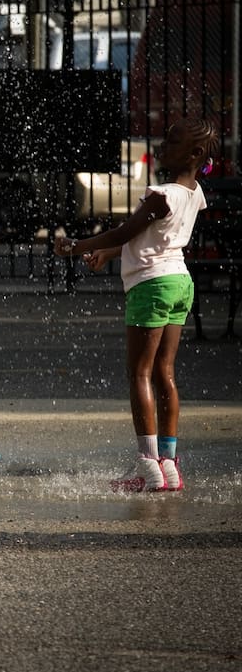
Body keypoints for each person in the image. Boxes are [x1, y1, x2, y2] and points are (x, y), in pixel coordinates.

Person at [54, 117, 219, 493]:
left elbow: (127, 231)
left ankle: (147, 466)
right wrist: (109, 255)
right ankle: (169, 466)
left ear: (193, 153)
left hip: (152, 286)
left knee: (139, 374)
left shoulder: (161, 195)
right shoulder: (194, 192)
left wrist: (79, 246)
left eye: (172, 141)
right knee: (166, 374)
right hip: (179, 283)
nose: (162, 146)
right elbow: (149, 240)